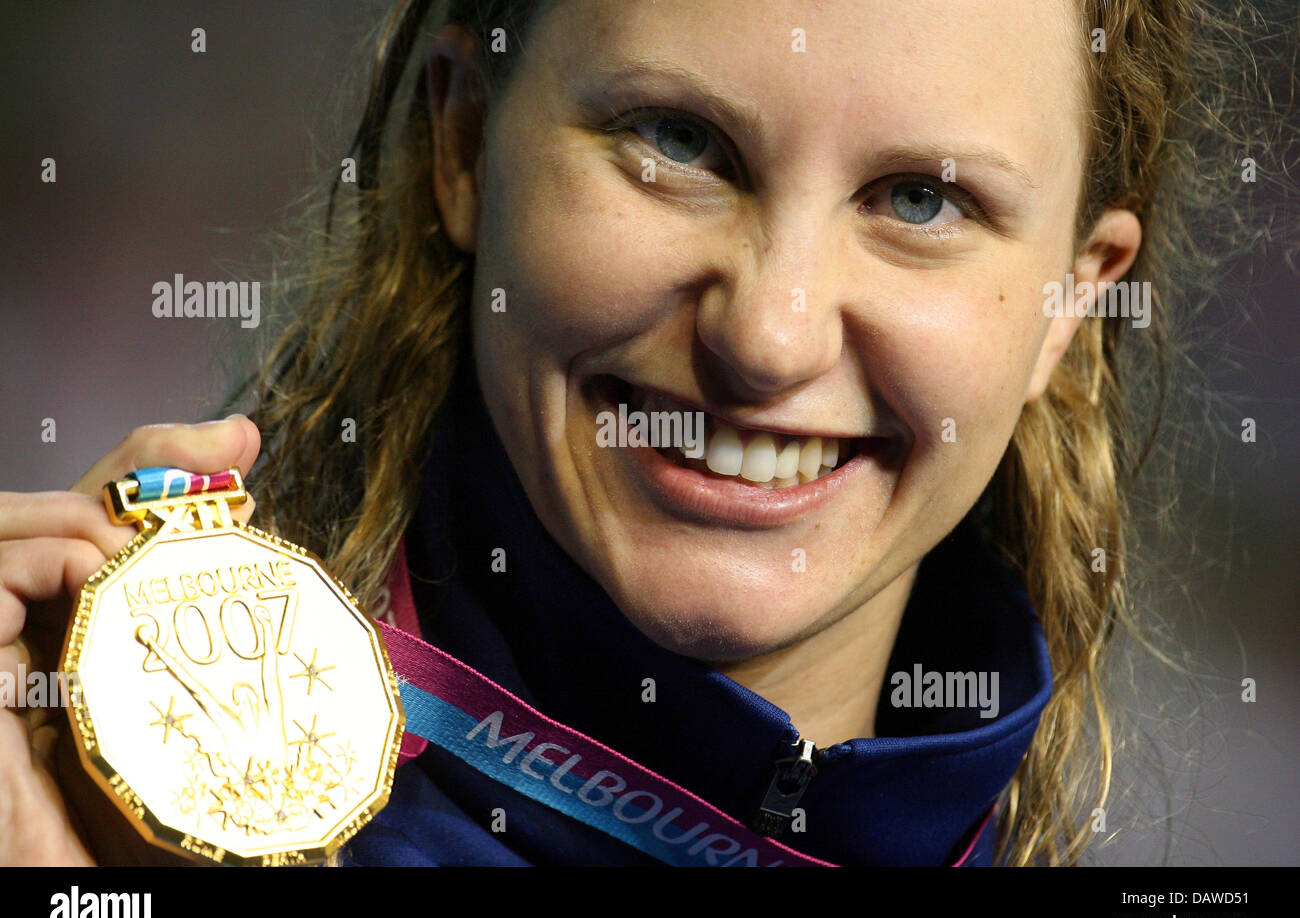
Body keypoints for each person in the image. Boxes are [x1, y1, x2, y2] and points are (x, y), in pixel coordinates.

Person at [0, 0, 1289, 866]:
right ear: (463, 141)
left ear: (1073, 296)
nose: (771, 338)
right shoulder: (78, 814)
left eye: (920, 200)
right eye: (678, 142)